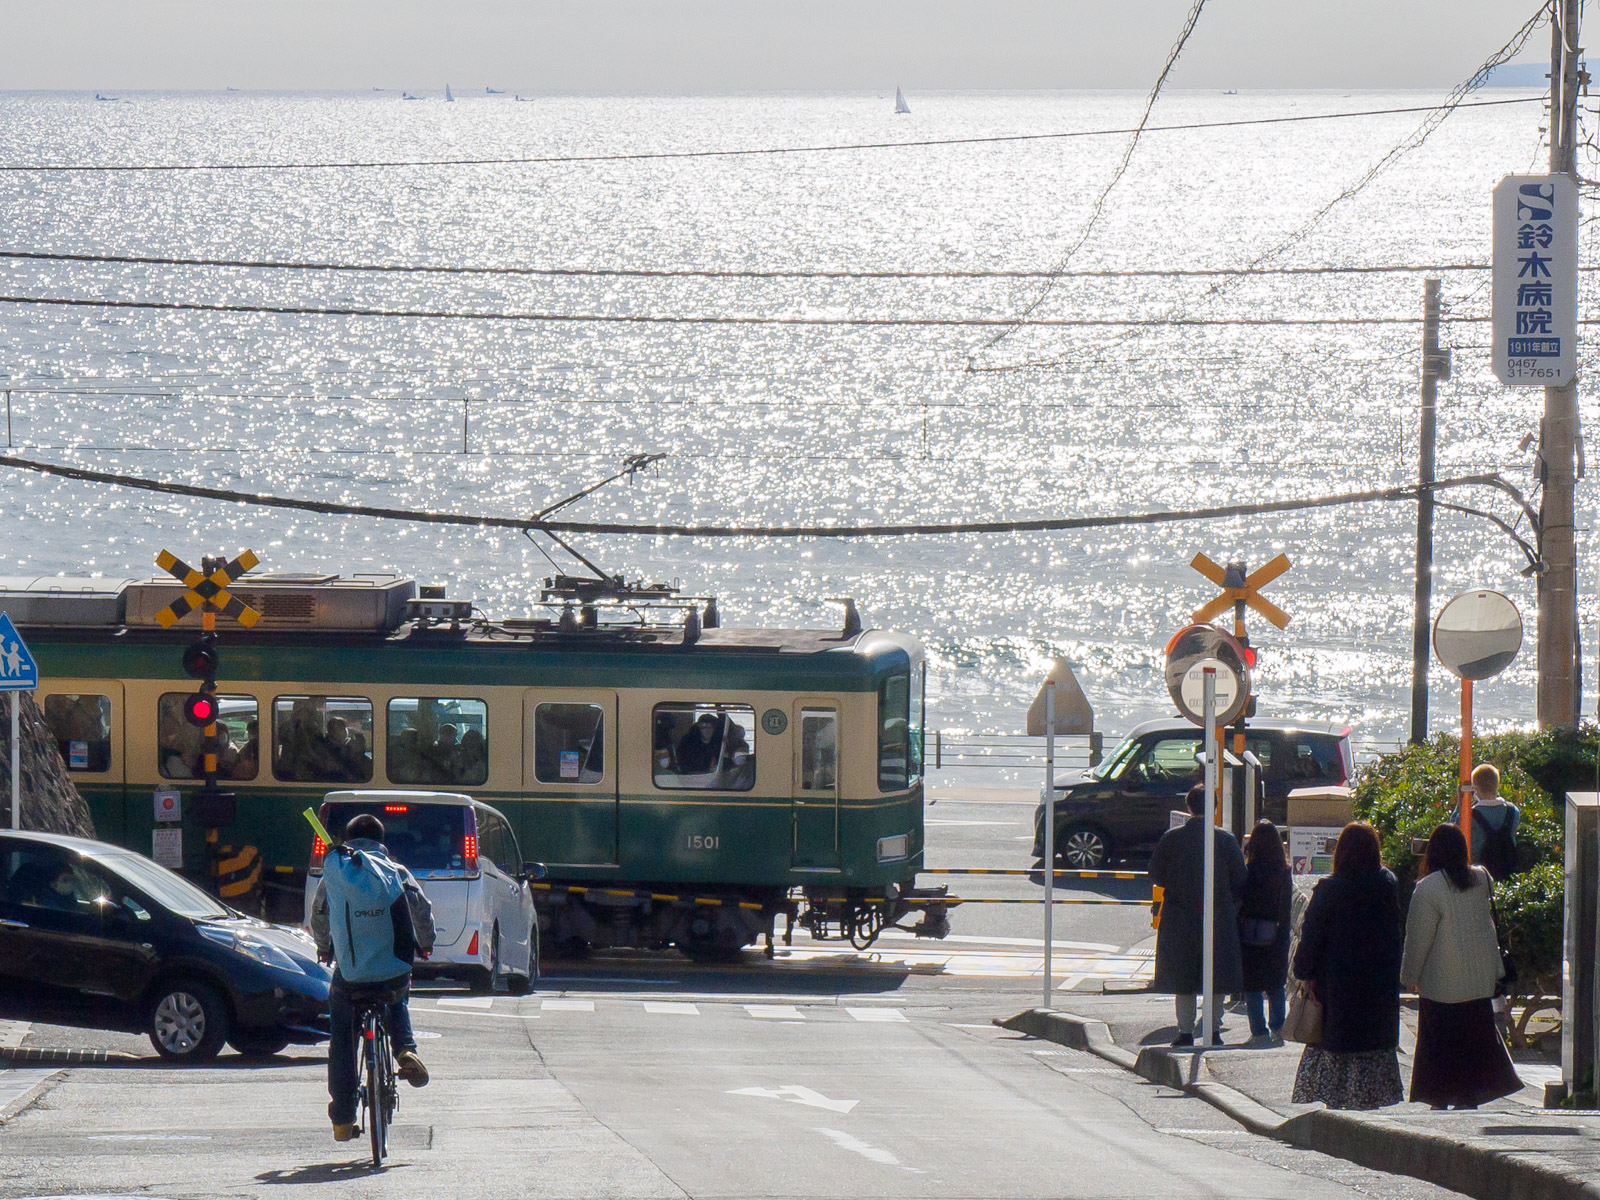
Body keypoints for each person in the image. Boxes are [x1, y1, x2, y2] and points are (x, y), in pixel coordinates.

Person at [311, 814, 436, 1143]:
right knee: (396, 989)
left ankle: (342, 1119)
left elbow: (320, 913)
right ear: (381, 840)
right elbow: (420, 908)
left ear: (349, 839)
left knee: (342, 1039)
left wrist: (325, 948)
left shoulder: (335, 874)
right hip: (393, 969)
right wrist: (425, 943)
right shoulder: (395, 871)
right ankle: (405, 1050)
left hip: (350, 975)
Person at [1401, 823, 1521, 1109]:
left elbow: (1418, 939)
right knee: (1474, 1041)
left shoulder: (1427, 889)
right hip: (1479, 982)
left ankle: (1440, 1096)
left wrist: (1409, 977)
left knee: (1439, 1043)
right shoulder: (1481, 879)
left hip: (1441, 984)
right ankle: (1469, 1095)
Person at [1291, 821, 1403, 1110]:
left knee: (1339, 1081)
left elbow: (1311, 940)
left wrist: (1303, 972)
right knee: (1370, 1071)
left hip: (1338, 996)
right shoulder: (1387, 885)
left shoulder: (1329, 890)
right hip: (1379, 996)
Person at [1148, 784, 1247, 1047]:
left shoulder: (1172, 837)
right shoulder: (1226, 840)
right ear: (1215, 807)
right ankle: (1213, 1030)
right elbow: (1240, 879)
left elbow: (1156, 873)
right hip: (1218, 916)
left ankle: (1185, 1032)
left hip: (1179, 917)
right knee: (1216, 975)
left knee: (1184, 977)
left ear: (1189, 807)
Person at [1239, 820, 1293, 1048]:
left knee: (1251, 984)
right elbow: (1286, 906)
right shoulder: (1284, 871)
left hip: (1250, 931)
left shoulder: (1249, 871)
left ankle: (1258, 1031)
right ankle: (1278, 1028)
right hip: (1276, 932)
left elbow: (1242, 900)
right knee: (1275, 984)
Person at [1469, 764, 1521, 882]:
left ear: (1475, 787)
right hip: (1506, 872)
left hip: (1477, 876)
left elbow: (1452, 829)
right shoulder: (1513, 812)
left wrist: (1460, 803)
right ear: (1497, 785)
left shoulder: (1470, 816)